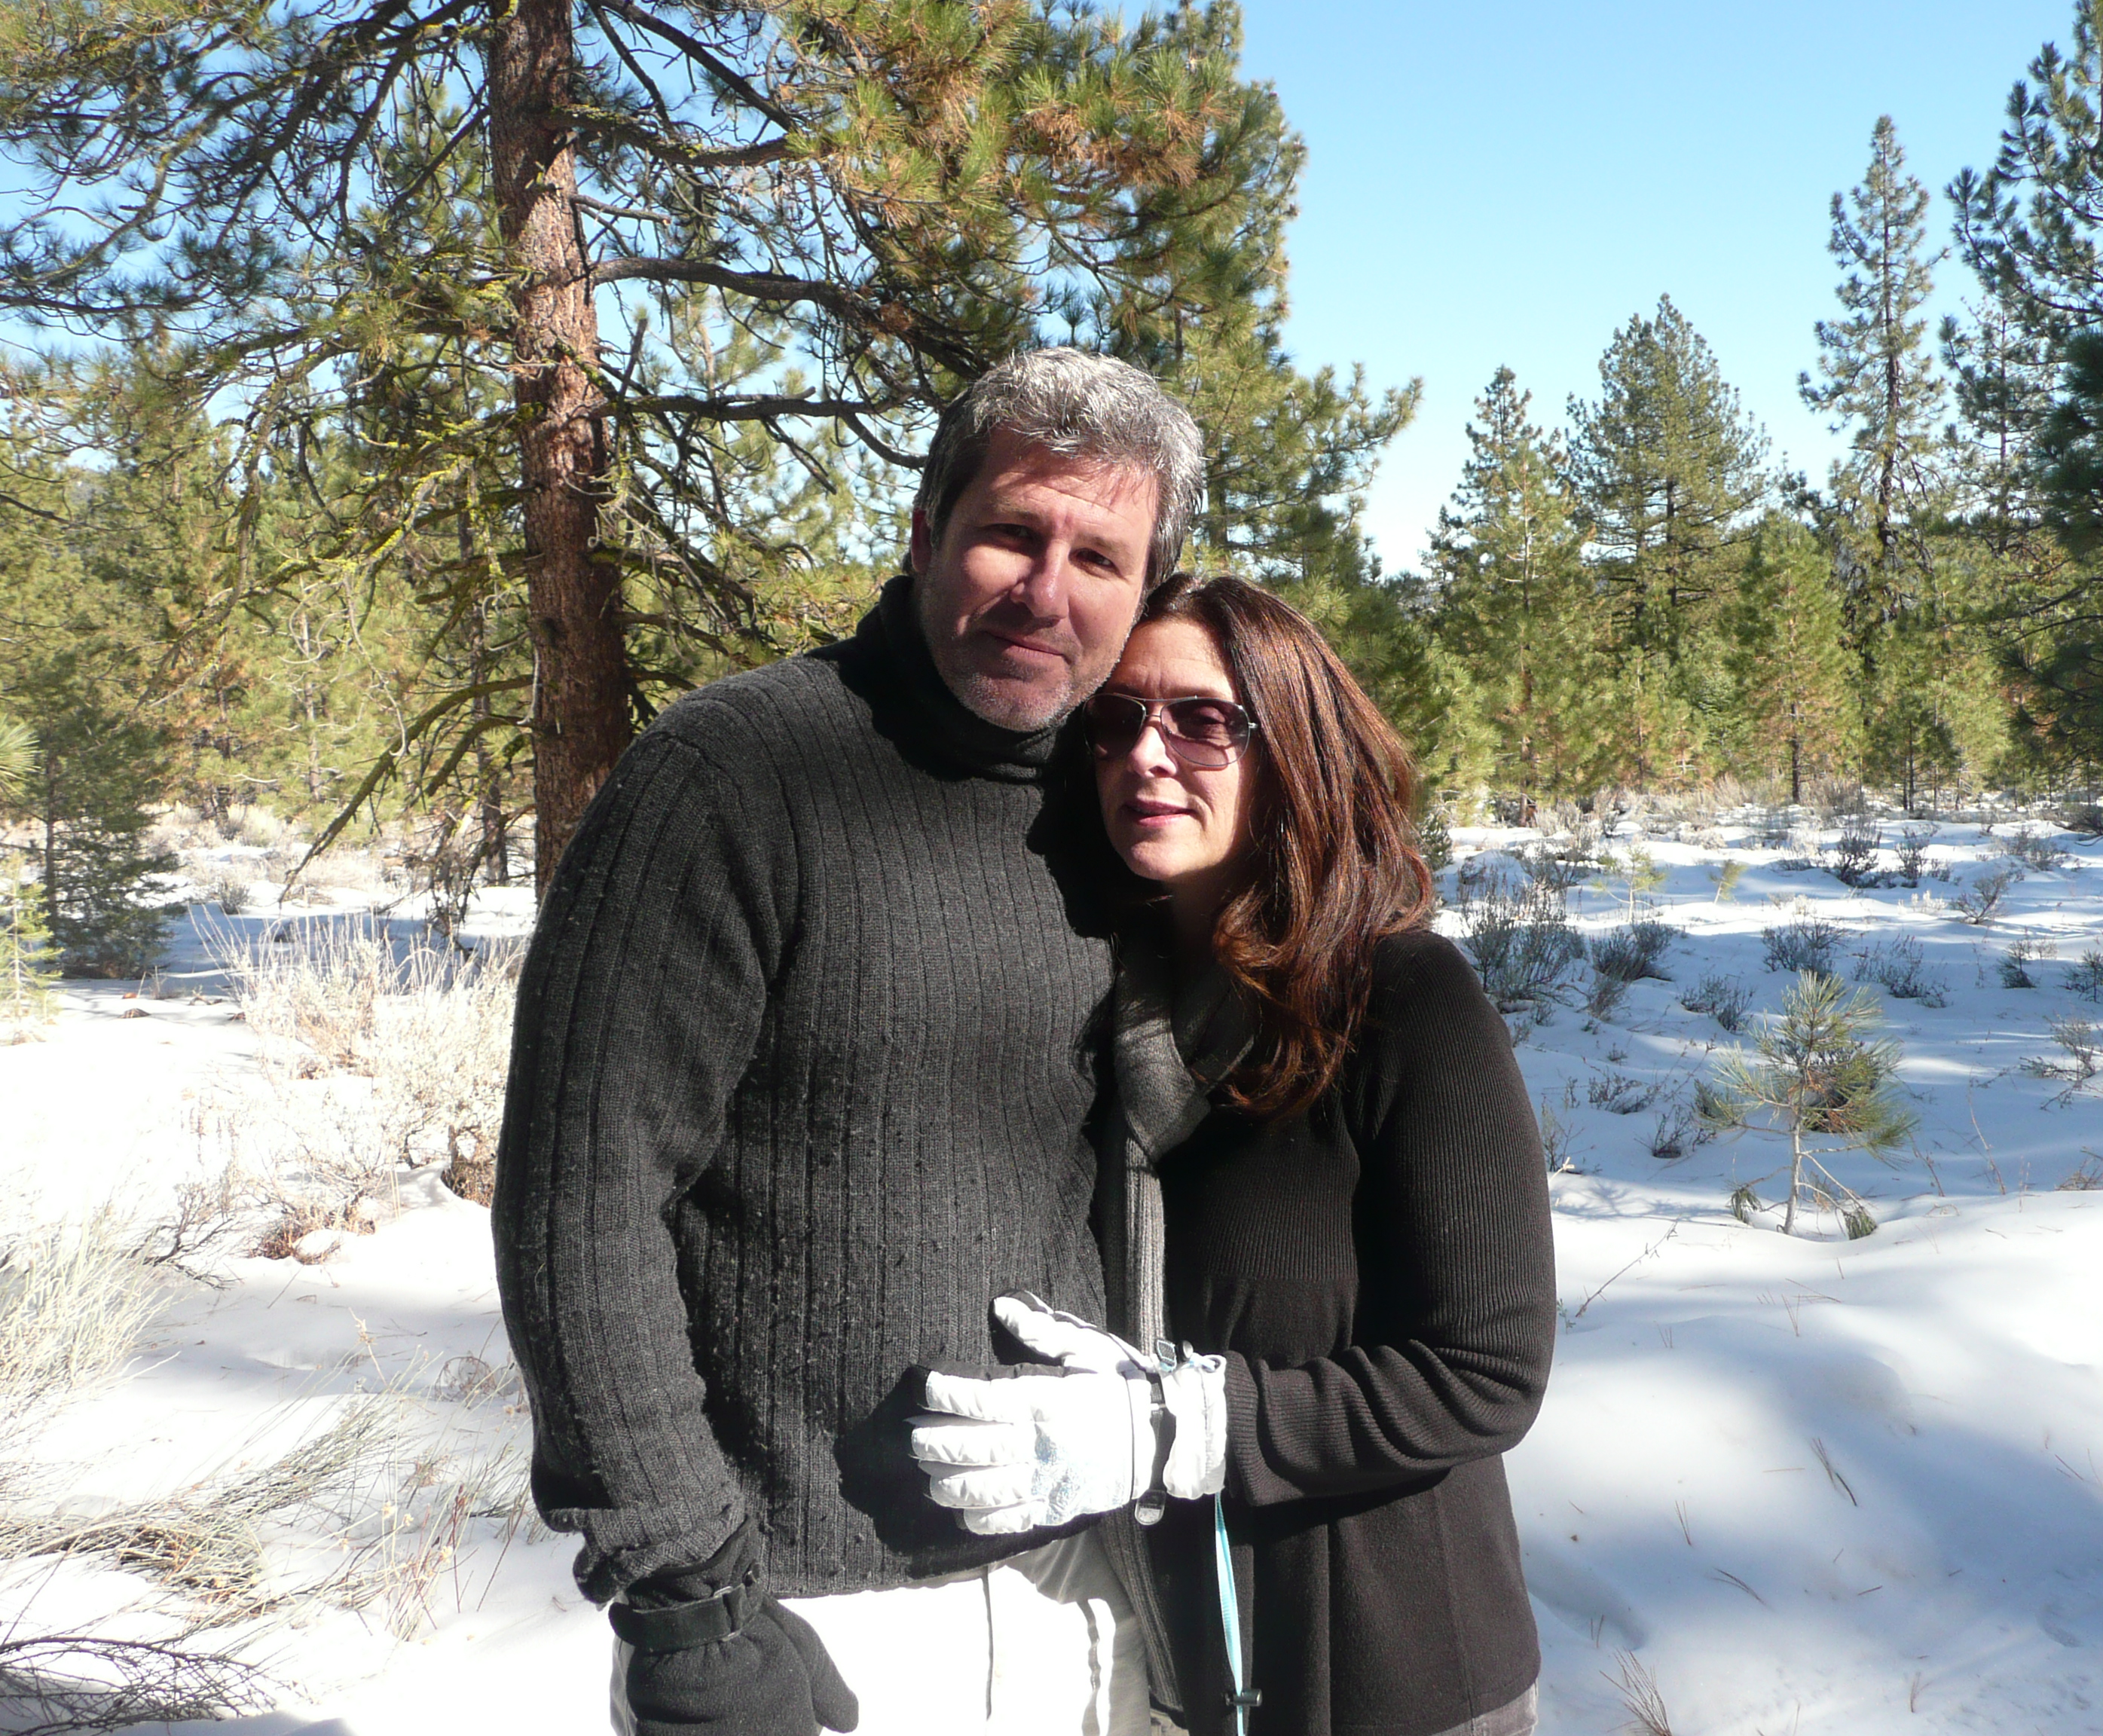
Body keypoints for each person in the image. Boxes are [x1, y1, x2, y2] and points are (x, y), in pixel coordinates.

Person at [491, 348, 1206, 1736]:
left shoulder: (1121, 805)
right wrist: (688, 1602)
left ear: (1146, 590)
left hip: (1086, 1571)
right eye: (1011, 532)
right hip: (804, 1611)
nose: (1045, 590)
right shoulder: (731, 778)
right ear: (929, 529)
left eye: (1100, 558)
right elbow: (581, 1203)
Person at [909, 573, 1557, 1736]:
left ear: (1293, 750)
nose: (1148, 754)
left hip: (1394, 1674)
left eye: (1204, 720)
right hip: (1176, 1662)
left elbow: (1489, 1369)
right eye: (1118, 719)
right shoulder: (1106, 1001)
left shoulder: (1404, 999)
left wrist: (1175, 1430)